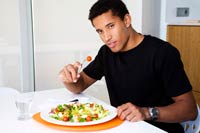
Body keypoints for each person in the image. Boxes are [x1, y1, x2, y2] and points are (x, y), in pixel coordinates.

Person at [59, 0, 198, 132]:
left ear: (126, 20)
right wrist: (70, 80)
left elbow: (189, 110)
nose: (106, 37)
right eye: (100, 31)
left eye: (110, 26)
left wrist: (146, 112)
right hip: (123, 128)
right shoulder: (106, 53)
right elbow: (80, 85)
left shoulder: (163, 52)